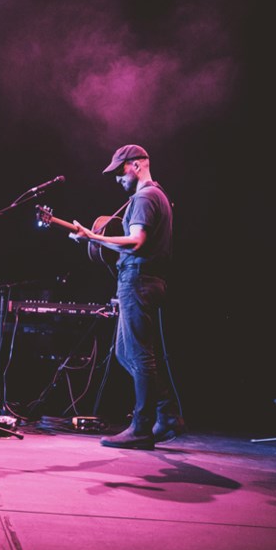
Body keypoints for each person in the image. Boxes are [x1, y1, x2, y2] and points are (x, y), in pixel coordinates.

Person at [66, 144, 183, 449]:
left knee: (140, 355)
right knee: (124, 352)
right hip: (144, 280)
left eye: (119, 171)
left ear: (136, 165)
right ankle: (167, 413)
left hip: (138, 279)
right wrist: (94, 239)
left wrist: (93, 237)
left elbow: (135, 242)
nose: (117, 178)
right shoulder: (155, 196)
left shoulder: (145, 197)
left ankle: (142, 427)